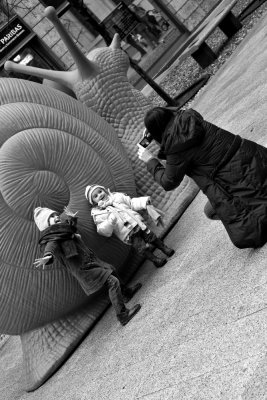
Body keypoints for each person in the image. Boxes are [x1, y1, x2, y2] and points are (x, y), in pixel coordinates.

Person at [137, 106, 267, 250]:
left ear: (157, 134)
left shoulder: (175, 149)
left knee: (211, 212)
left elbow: (168, 182)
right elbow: (179, 112)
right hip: (256, 160)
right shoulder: (191, 116)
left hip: (234, 180)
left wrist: (151, 161)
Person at [33, 206, 142, 326]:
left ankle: (126, 293)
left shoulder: (63, 230)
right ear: (46, 225)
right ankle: (123, 315)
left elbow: (71, 229)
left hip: (90, 260)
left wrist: (72, 219)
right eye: (51, 217)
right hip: (84, 269)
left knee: (111, 269)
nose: (56, 217)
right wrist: (48, 256)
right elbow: (51, 246)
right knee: (112, 282)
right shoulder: (52, 237)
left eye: (55, 214)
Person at [85, 184, 175, 268]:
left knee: (152, 237)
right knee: (142, 248)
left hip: (138, 224)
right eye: (95, 196)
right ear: (93, 202)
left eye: (100, 191)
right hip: (128, 233)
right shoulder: (98, 213)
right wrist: (110, 221)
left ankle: (164, 248)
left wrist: (143, 202)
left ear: (104, 190)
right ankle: (155, 260)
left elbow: (131, 203)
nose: (100, 195)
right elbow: (101, 230)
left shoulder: (117, 197)